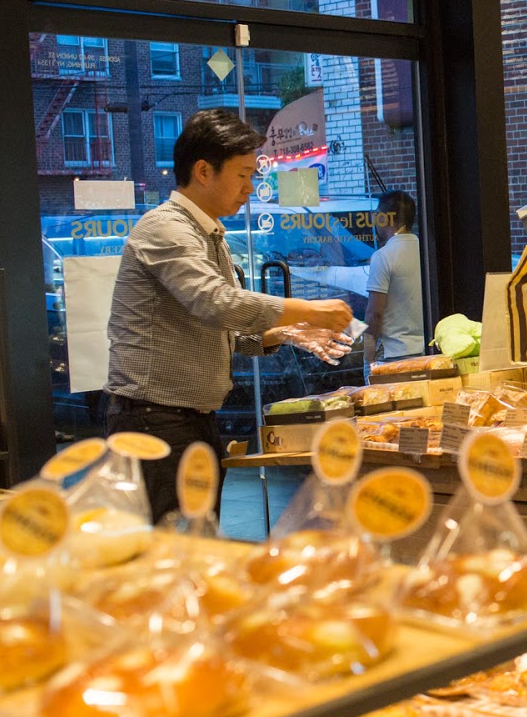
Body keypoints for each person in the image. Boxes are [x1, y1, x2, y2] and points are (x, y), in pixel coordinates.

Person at [106, 109, 354, 521]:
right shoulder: (165, 227)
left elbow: (224, 331)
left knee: (200, 541)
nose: (250, 187)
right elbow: (215, 302)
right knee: (168, 548)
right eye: (242, 174)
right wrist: (307, 309)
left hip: (190, 419)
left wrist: (286, 332)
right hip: (153, 420)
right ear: (204, 171)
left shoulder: (210, 233)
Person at [364, 190, 424, 365]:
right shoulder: (426, 250)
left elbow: (374, 313)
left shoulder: (383, 256)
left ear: (386, 218)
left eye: (377, 215)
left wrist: (368, 355)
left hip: (395, 354)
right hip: (429, 350)